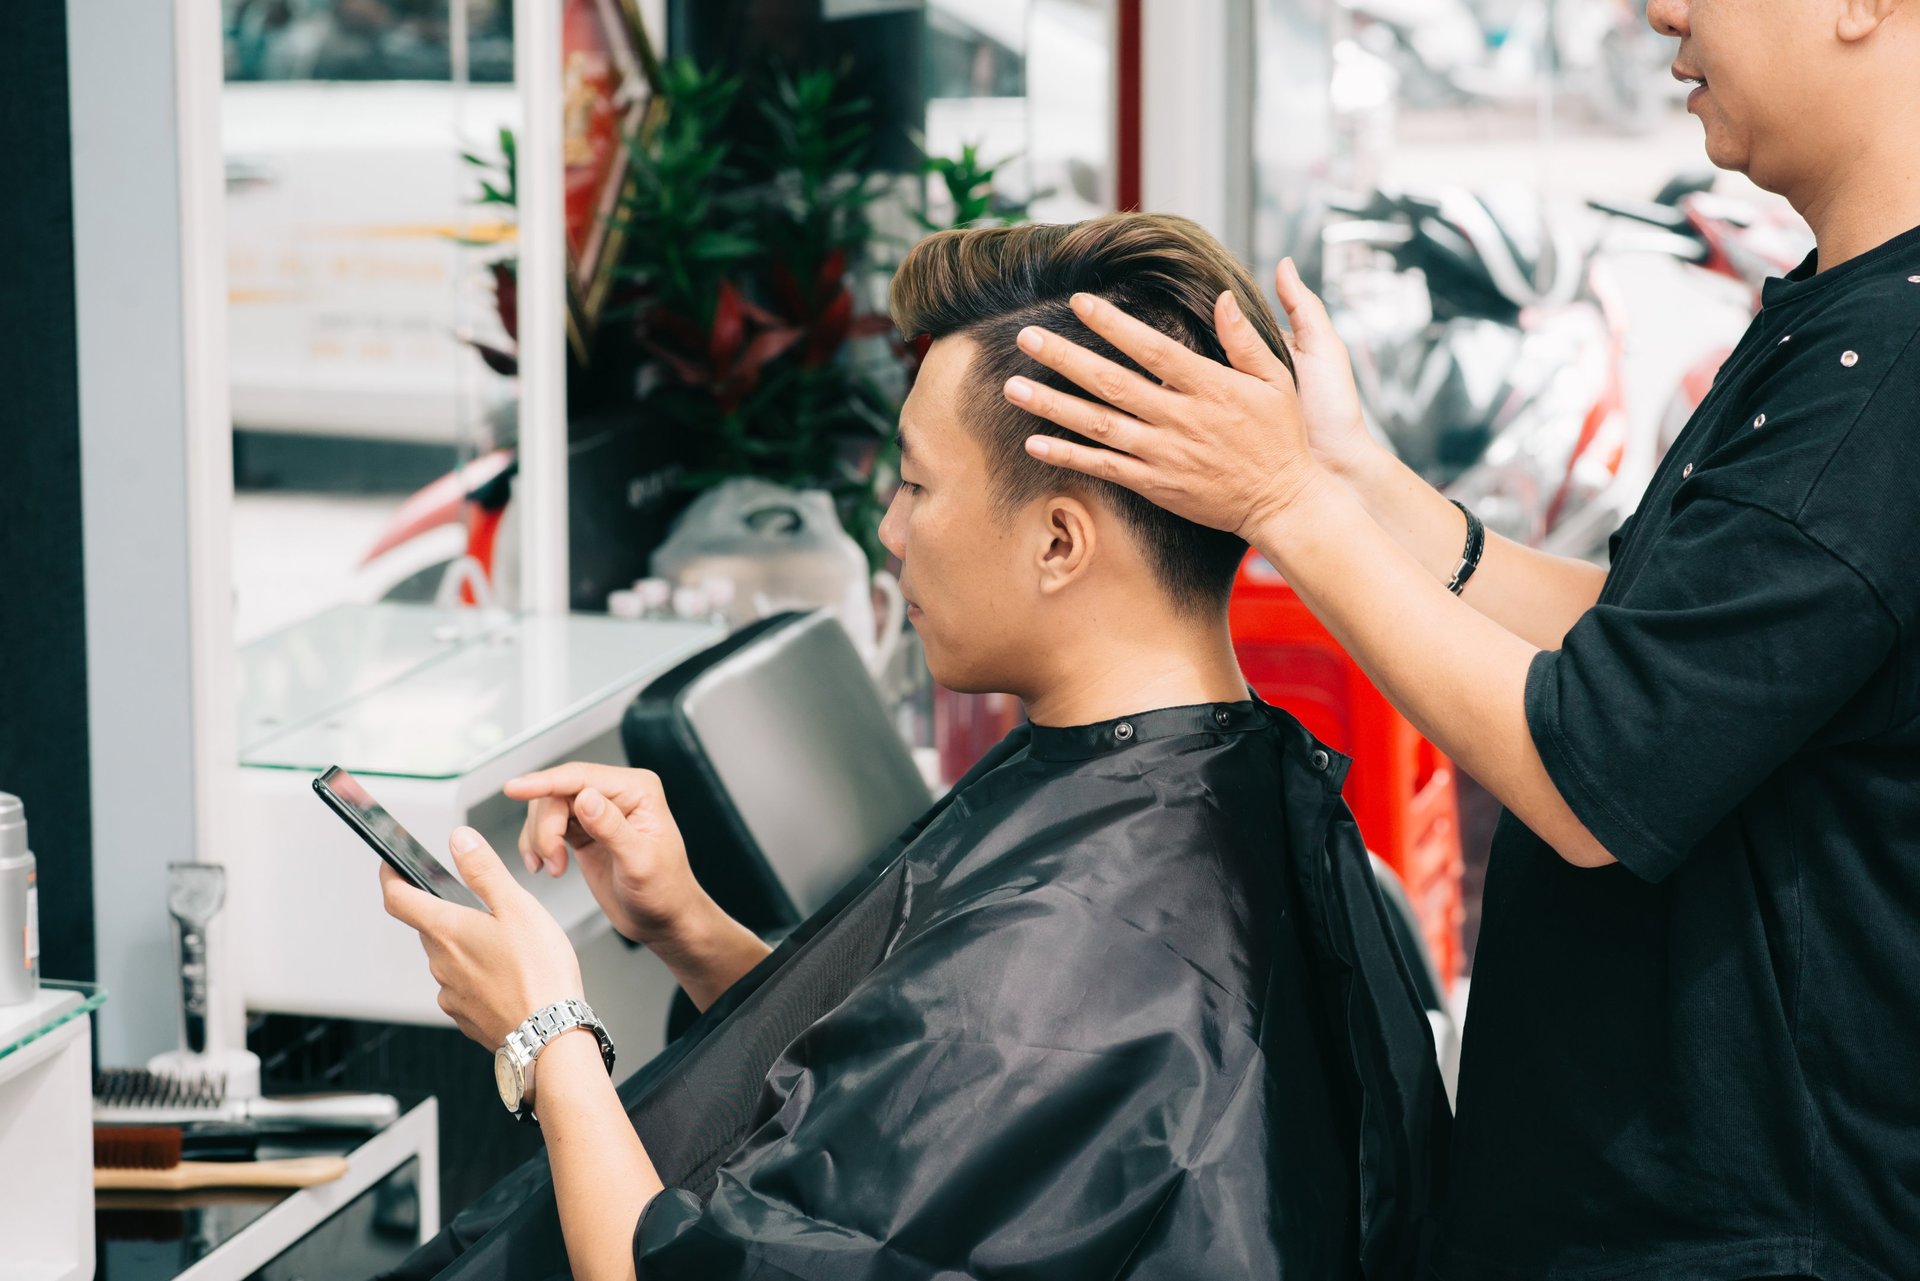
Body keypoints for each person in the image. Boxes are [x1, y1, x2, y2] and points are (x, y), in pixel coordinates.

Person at [997, 5, 1920, 1280]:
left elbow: (1599, 773)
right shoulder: (1841, 315)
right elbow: (1654, 641)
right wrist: (1357, 478)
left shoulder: (1890, 377)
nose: (1662, 10)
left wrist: (1288, 504)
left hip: (1743, 1231)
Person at [379, 213, 1447, 1281]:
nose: (890, 531)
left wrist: (547, 1033)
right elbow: (905, 1099)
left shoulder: (1065, 942)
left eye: (918, 484)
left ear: (1060, 540)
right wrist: (689, 929)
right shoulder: (1208, 787)